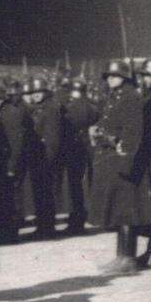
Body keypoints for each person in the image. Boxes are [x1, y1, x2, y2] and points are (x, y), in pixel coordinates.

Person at [88, 59, 151, 275]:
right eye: (108, 76)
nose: (110, 79)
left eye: (115, 76)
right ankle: (121, 256)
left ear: (125, 77)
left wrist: (126, 158)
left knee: (126, 212)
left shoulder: (130, 97)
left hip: (123, 161)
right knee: (118, 210)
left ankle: (128, 259)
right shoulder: (115, 96)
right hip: (112, 160)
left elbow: (133, 132)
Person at [0, 79, 28, 245]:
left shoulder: (10, 112)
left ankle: (11, 233)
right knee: (3, 199)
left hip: (8, 163)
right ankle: (6, 230)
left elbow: (16, 143)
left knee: (10, 199)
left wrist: (12, 166)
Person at [24, 76, 62, 239]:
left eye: (39, 92)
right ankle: (42, 225)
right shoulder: (36, 108)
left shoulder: (51, 109)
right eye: (34, 92)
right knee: (39, 193)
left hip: (45, 157)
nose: (36, 95)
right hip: (37, 156)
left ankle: (47, 227)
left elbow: (53, 137)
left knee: (46, 193)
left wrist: (49, 158)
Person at [60, 77, 96, 236]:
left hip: (73, 148)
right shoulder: (92, 107)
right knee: (87, 183)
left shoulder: (69, 108)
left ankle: (76, 219)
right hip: (89, 147)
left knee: (74, 186)